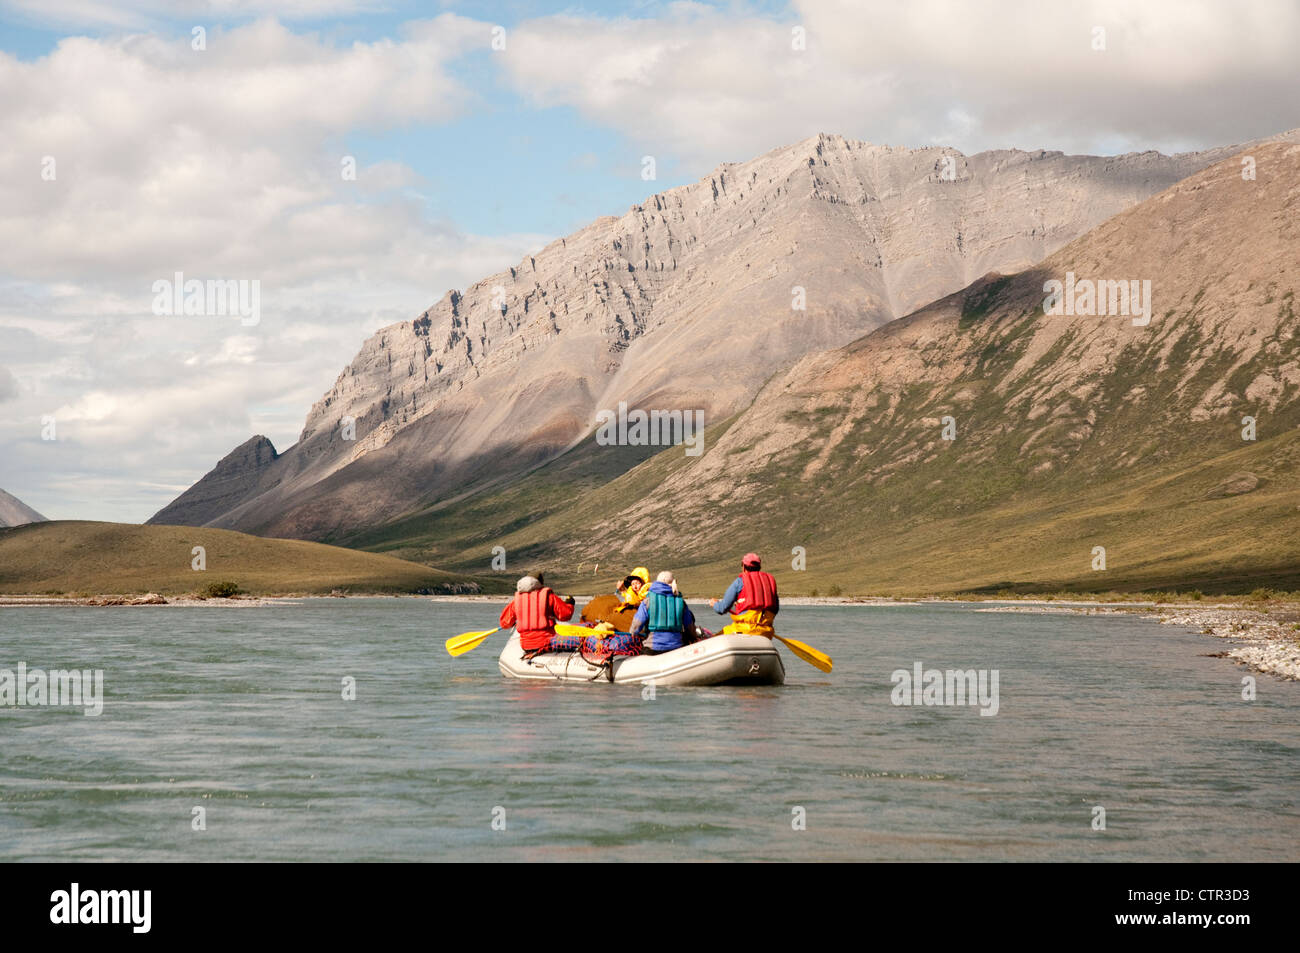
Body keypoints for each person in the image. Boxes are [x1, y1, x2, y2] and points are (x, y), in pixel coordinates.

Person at [499, 574, 575, 658]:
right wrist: (570, 604)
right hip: (547, 643)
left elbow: (504, 623)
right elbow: (566, 615)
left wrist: (516, 621)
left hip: (526, 646)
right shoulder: (549, 597)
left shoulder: (516, 602)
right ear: (540, 583)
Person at [709, 553, 778, 636]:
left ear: (744, 567)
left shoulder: (740, 582)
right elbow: (775, 609)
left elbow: (722, 608)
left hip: (745, 630)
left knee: (717, 636)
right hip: (766, 632)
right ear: (759, 567)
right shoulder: (769, 582)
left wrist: (714, 603)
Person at [630, 571, 697, 655]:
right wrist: (694, 638)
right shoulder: (681, 602)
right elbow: (690, 627)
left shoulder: (647, 601)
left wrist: (632, 633)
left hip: (653, 648)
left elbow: (637, 624)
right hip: (677, 646)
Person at [579, 566, 650, 629]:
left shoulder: (648, 594)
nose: (635, 586)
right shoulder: (631, 594)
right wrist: (621, 591)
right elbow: (625, 600)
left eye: (637, 583)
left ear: (643, 583)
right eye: (633, 584)